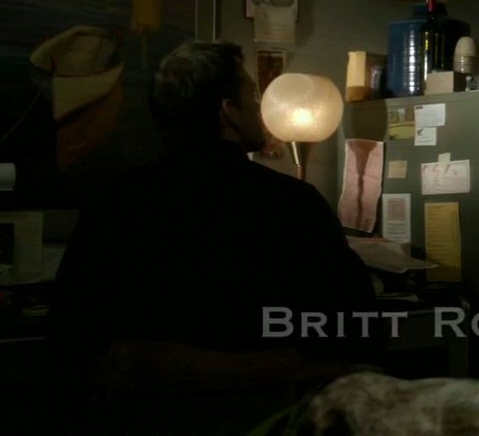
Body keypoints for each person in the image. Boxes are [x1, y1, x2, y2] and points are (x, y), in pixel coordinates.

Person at [50, 40, 382, 426]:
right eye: (252, 97)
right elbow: (359, 327)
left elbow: (70, 338)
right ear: (229, 111)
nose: (259, 109)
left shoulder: (113, 202)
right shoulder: (291, 204)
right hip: (265, 418)